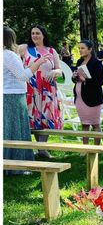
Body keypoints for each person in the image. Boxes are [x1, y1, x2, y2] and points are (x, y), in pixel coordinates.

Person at [20, 25, 64, 157]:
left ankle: (42, 148)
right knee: (33, 117)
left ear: (43, 35)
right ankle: (39, 148)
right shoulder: (25, 49)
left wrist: (55, 72)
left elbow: (59, 69)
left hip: (47, 90)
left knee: (46, 117)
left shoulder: (51, 51)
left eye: (37, 33)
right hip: (31, 89)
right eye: (32, 33)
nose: (35, 35)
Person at [4, 26, 43, 168]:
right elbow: (22, 76)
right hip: (13, 96)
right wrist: (37, 64)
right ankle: (17, 165)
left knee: (7, 129)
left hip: (5, 95)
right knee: (16, 130)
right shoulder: (9, 55)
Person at [71, 40, 103, 145]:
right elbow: (75, 80)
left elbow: (100, 81)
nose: (80, 50)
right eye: (79, 48)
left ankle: (96, 149)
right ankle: (85, 149)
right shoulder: (79, 62)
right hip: (80, 99)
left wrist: (85, 79)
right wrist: (74, 77)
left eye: (82, 48)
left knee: (95, 125)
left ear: (90, 49)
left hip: (93, 99)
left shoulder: (96, 63)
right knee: (84, 125)